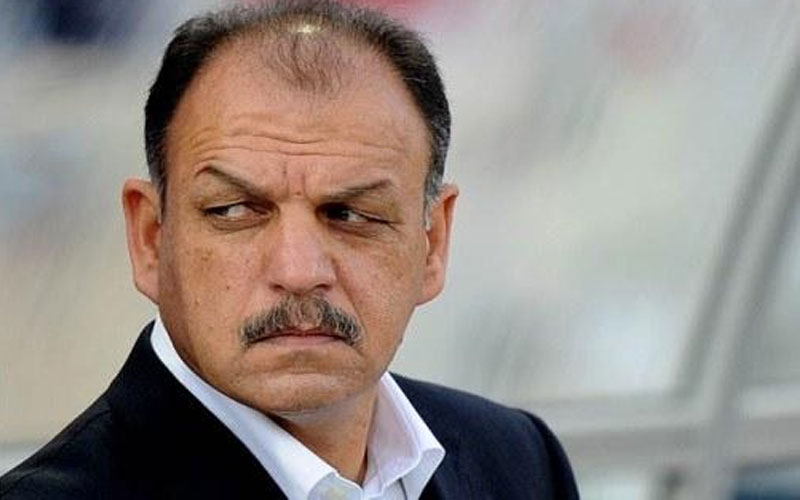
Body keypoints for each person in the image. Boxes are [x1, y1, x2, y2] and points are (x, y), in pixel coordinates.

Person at [0, 1, 578, 498]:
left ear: (433, 242)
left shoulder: (517, 460)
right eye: (235, 211)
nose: (299, 271)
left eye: (351, 215)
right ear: (150, 238)